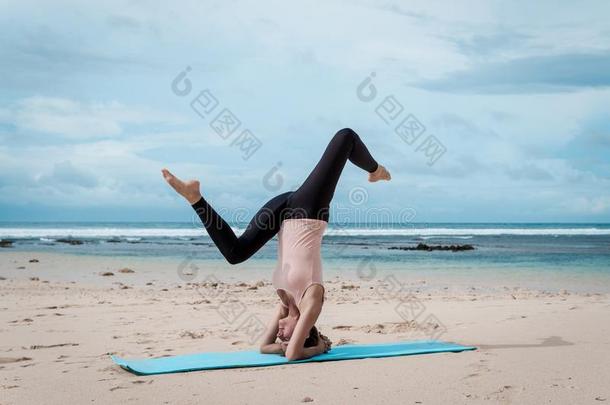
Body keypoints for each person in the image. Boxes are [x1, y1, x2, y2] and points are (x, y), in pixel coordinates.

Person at [162, 128, 391, 360]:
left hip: (282, 213)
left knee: (235, 254)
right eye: (287, 335)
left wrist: (284, 345)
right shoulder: (311, 301)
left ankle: (195, 198)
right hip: (308, 210)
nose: (280, 335)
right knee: (346, 137)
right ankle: (376, 170)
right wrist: (319, 348)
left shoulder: (285, 304)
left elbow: (264, 347)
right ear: (305, 329)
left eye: (280, 337)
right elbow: (293, 355)